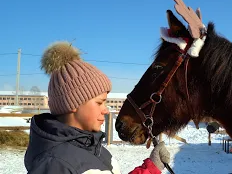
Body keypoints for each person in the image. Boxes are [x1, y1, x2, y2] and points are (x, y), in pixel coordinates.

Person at [24, 41, 171, 174]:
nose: (106, 110)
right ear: (74, 103)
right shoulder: (55, 165)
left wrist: (151, 168)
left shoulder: (95, 149)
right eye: (100, 102)